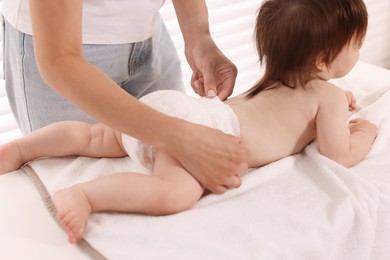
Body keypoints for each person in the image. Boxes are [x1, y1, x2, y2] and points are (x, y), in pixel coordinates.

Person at [0, 0, 377, 244]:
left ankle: (22, 147)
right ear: (324, 61)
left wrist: (199, 36)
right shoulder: (325, 97)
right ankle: (85, 195)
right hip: (205, 129)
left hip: (178, 106)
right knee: (174, 192)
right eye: (357, 44)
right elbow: (337, 153)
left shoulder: (280, 80)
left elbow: (294, 107)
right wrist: (363, 132)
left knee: (98, 136)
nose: (360, 51)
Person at [1, 0, 248, 194]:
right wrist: (182, 137)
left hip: (147, 33)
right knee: (82, 159)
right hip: (66, 51)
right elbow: (59, 60)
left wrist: (198, 37)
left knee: (110, 145)